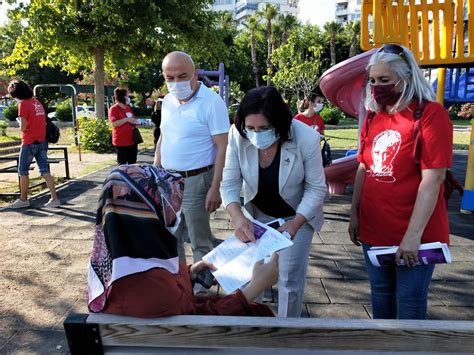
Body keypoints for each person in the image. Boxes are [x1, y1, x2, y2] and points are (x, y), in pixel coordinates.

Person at [87, 164, 278, 317]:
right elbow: (203, 325)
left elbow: (160, 288)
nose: (174, 211)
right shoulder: (156, 290)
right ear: (149, 217)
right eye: (167, 205)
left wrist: (189, 272)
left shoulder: (110, 267)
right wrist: (256, 286)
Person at [348, 44, 453, 320]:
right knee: (380, 296)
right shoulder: (374, 115)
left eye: (384, 80)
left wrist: (413, 236)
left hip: (415, 233)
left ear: (406, 78)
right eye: (372, 80)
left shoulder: (431, 114)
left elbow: (434, 178)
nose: (376, 87)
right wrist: (354, 212)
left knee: (410, 302)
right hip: (375, 229)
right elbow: (364, 166)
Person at [220, 86, 327, 317]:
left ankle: (287, 338)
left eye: (264, 128)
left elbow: (316, 188)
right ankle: (253, 332)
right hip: (256, 215)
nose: (257, 134)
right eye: (251, 128)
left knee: (289, 280)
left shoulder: (306, 137)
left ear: (279, 123)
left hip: (296, 214)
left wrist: (296, 223)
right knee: (250, 278)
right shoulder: (237, 135)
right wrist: (238, 219)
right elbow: (228, 184)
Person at [154, 51, 230, 265]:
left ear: (195, 74)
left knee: (199, 237)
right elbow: (163, 135)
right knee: (171, 235)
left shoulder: (211, 102)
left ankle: (201, 289)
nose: (176, 82)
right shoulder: (168, 101)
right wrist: (156, 167)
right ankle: (179, 283)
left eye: (183, 76)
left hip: (197, 180)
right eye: (170, 78)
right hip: (168, 179)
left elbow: (222, 146)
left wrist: (216, 188)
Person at [6, 80, 60, 209]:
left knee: (23, 171)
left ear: (17, 95)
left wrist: (19, 121)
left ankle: (24, 199)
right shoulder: (37, 103)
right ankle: (54, 199)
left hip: (29, 142)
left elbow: (23, 128)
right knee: (44, 170)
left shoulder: (23, 105)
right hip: (42, 141)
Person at [109, 88, 139, 165]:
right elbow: (114, 124)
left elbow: (132, 119)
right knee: (122, 164)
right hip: (121, 142)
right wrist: (126, 119)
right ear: (122, 97)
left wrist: (135, 122)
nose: (128, 97)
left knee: (132, 163)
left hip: (132, 140)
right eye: (127, 95)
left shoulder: (128, 108)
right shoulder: (114, 109)